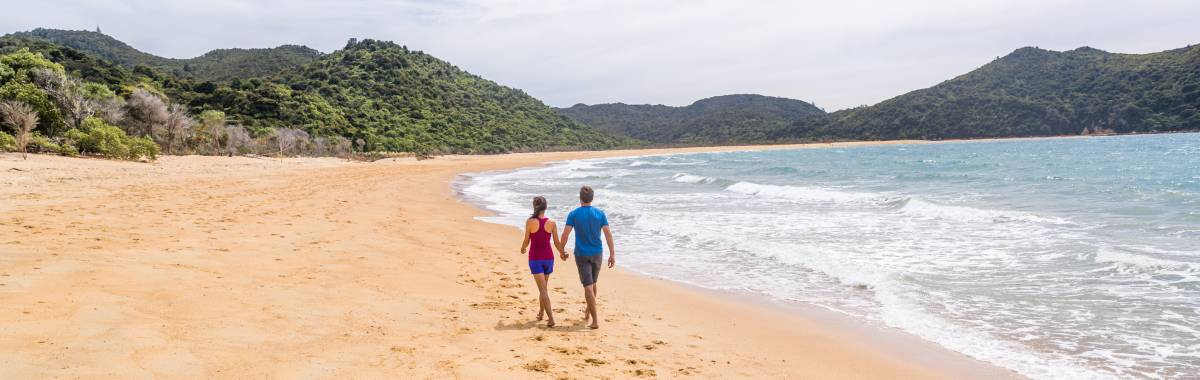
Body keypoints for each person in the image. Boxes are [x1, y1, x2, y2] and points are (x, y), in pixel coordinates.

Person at [558, 185, 615, 329]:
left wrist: (561, 250)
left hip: (582, 254)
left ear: (580, 198)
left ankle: (594, 320)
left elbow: (565, 234)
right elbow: (608, 234)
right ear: (592, 198)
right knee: (592, 284)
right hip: (597, 253)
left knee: (589, 287)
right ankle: (589, 311)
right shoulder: (600, 213)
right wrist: (612, 254)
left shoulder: (574, 214)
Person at [520, 196, 563, 327]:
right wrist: (563, 252)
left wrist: (523, 248)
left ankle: (551, 319)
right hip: (549, 259)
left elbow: (527, 240)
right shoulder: (552, 222)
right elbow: (556, 242)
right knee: (543, 288)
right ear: (546, 207)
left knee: (543, 290)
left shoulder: (530, 222)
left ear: (534, 207)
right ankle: (541, 312)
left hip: (535, 259)